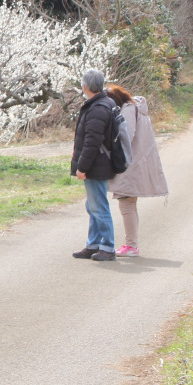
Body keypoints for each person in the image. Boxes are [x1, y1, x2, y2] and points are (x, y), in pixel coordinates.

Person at [105, 84, 168, 257]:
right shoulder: (136, 109)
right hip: (136, 163)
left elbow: (127, 135)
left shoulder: (128, 110)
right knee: (128, 204)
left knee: (126, 204)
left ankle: (131, 246)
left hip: (129, 165)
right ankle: (131, 245)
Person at [71, 68, 116, 261]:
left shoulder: (97, 108)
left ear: (85, 86)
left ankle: (107, 246)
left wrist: (82, 167)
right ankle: (94, 243)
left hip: (97, 165)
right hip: (100, 163)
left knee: (99, 206)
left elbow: (92, 142)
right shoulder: (104, 103)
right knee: (93, 205)